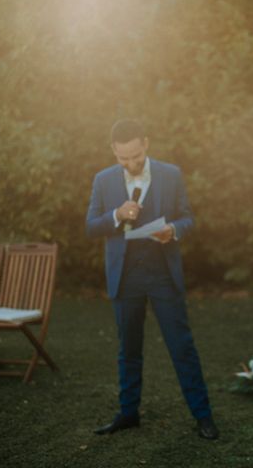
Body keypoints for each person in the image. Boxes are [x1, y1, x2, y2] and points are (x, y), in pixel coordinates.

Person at [86, 119, 218, 440]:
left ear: (145, 143)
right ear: (113, 152)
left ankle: (203, 416)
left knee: (182, 347)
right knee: (128, 349)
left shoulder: (170, 175)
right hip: (125, 276)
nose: (130, 163)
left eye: (135, 155)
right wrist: (116, 215)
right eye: (122, 158)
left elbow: (188, 218)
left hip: (162, 274)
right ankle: (128, 413)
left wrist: (173, 230)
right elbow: (91, 225)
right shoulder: (103, 180)